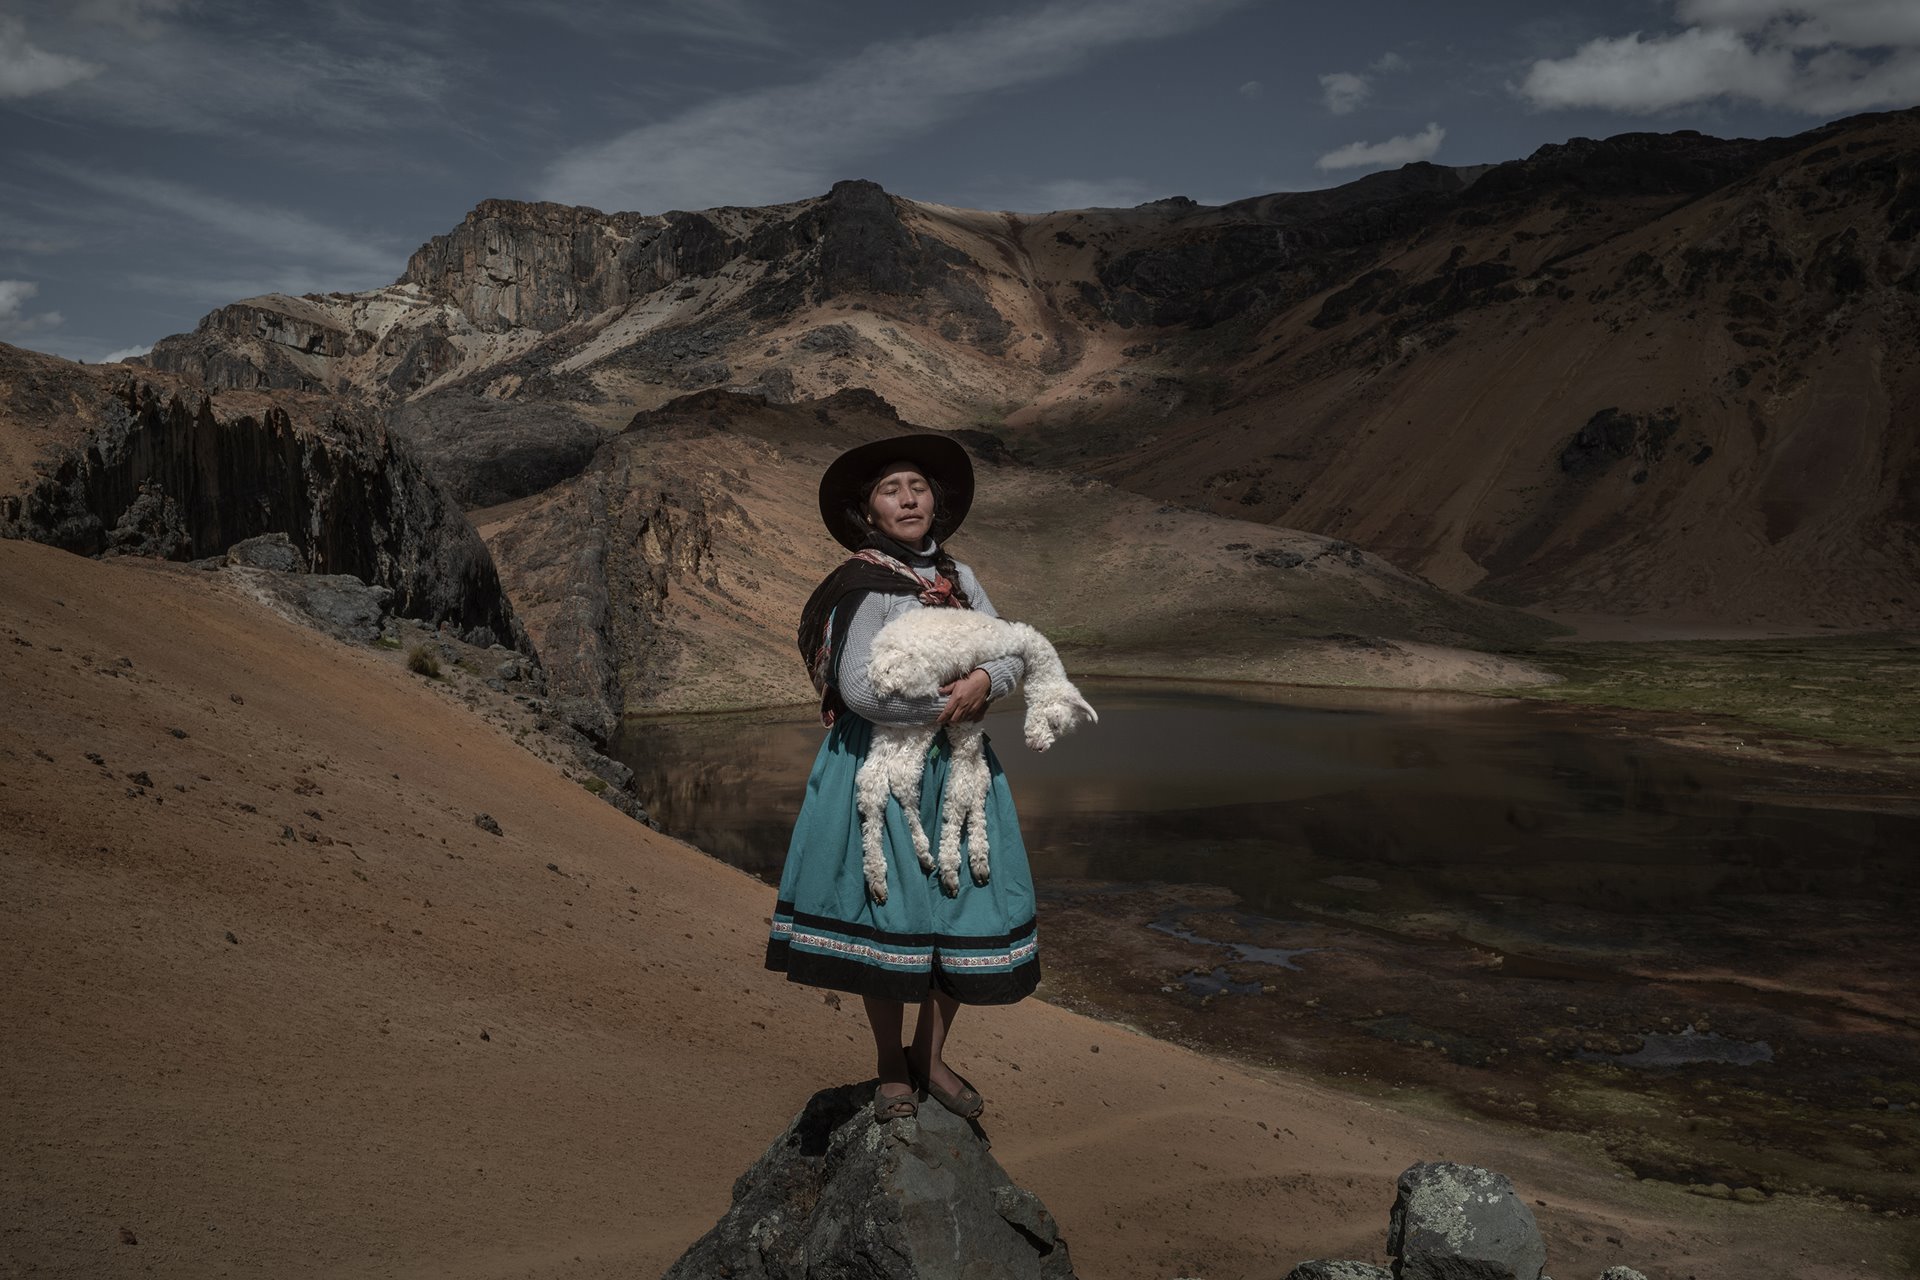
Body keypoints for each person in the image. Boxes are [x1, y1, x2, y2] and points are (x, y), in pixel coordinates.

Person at [765, 433, 1039, 1123]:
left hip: (956, 767)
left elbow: (1011, 650)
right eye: (892, 490)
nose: (908, 498)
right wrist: (948, 704)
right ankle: (891, 1062)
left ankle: (930, 1054)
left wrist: (984, 679)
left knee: (958, 902)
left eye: (916, 486)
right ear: (869, 511)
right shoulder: (864, 587)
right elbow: (858, 688)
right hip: (881, 771)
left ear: (936, 500)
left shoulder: (962, 579)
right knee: (887, 914)